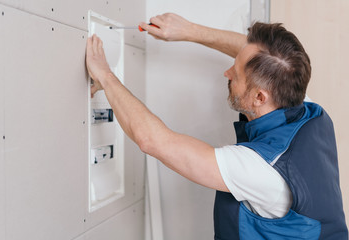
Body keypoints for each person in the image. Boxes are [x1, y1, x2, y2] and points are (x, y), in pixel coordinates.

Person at [86, 13, 348, 240]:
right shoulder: (307, 110)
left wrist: (105, 76)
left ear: (260, 97)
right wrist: (188, 30)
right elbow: (257, 54)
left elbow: (153, 141)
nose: (227, 73)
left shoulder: (260, 168)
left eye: (237, 72)